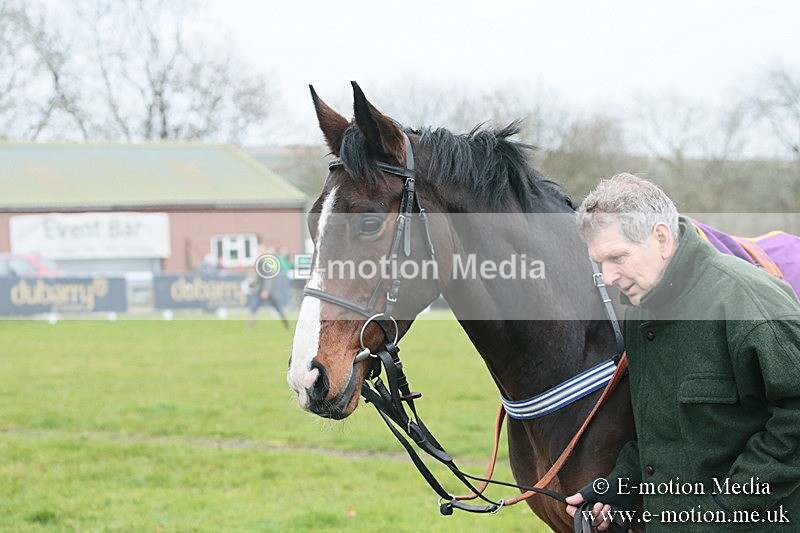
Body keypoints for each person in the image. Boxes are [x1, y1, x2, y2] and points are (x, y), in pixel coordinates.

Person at [565, 173, 800, 531]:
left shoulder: (750, 304)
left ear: (660, 238)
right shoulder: (642, 313)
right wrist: (618, 489)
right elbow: (661, 432)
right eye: (600, 263)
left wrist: (721, 511)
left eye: (617, 257)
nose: (608, 276)